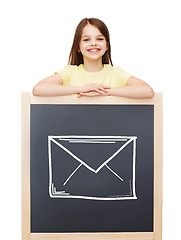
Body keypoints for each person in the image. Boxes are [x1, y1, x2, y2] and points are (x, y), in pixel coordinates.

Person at [33, 18, 154, 98]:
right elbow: (38, 90)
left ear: (106, 46)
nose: (93, 43)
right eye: (86, 39)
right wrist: (81, 89)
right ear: (78, 47)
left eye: (99, 39)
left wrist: (105, 92)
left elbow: (147, 91)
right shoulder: (70, 72)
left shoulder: (115, 73)